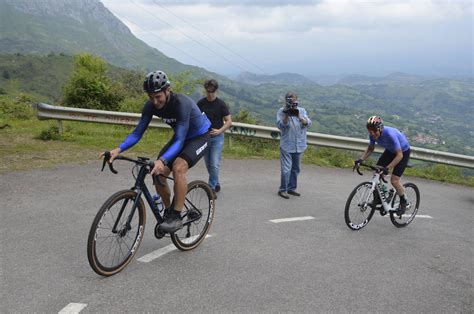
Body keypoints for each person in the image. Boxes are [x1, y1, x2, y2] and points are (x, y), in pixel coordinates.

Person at [102, 70, 211, 233]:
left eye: (158, 96)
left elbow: (180, 140)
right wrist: (118, 149)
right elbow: (138, 132)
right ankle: (168, 212)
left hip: (200, 136)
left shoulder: (182, 103)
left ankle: (175, 216)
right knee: (156, 172)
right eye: (151, 97)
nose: (155, 101)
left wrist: (163, 160)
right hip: (181, 137)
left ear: (168, 90)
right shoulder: (151, 106)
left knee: (178, 167)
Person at [355, 116, 411, 214]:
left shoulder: (390, 134)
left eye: (374, 130)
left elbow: (399, 155)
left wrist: (387, 168)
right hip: (390, 151)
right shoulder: (372, 135)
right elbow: (370, 149)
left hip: (402, 152)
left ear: (380, 128)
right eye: (370, 130)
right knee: (377, 172)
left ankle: (404, 201)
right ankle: (381, 196)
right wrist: (360, 159)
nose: (372, 133)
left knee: (394, 180)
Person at [197, 79, 232, 195]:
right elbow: (196, 119)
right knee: (208, 164)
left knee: (214, 163)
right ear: (205, 91)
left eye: (212, 92)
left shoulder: (221, 104)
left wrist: (219, 131)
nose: (210, 94)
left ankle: (211, 188)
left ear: (216, 91)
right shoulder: (201, 103)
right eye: (208, 92)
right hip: (204, 138)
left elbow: (229, 121)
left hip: (217, 138)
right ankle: (216, 182)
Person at [276, 91, 312, 199]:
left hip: (299, 144)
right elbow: (281, 126)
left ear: (297, 100)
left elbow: (309, 123)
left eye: (294, 100)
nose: (292, 102)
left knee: (296, 168)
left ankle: (291, 188)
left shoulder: (302, 111)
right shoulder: (281, 111)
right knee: (286, 168)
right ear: (286, 100)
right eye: (289, 99)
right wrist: (286, 115)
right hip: (287, 144)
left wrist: (300, 117)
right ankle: (283, 189)